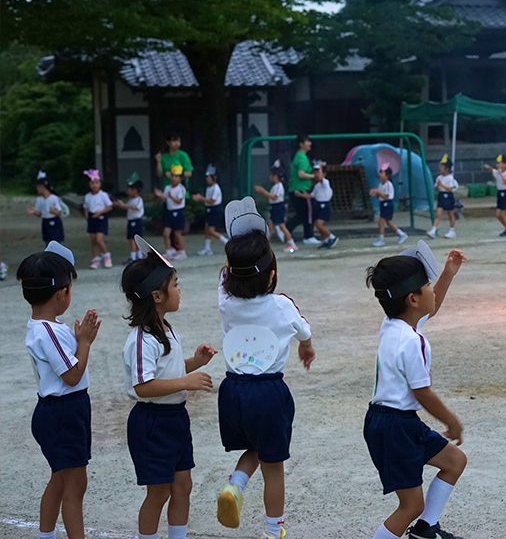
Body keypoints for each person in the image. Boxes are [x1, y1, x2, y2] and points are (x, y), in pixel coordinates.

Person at [215, 197, 315, 539]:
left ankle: (235, 486)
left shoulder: (225, 303)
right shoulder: (282, 306)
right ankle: (274, 532)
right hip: (269, 394)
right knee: (274, 468)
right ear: (272, 273)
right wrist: (306, 345)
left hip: (232, 392)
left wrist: (235, 252)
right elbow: (305, 331)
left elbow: (225, 274)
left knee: (254, 449)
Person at [364, 242, 468, 539]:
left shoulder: (393, 323)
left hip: (393, 421)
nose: (432, 290)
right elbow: (423, 393)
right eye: (427, 286)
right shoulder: (412, 342)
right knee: (409, 506)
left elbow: (428, 311)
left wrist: (448, 274)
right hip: (395, 425)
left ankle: (426, 529)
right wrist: (451, 421)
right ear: (412, 299)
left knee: (455, 461)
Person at [121, 237, 217, 539]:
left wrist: (193, 363)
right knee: (158, 492)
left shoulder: (166, 328)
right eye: (175, 284)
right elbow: (143, 386)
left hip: (175, 419)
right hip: (151, 423)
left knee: (183, 486)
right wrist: (185, 382)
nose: (179, 290)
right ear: (157, 296)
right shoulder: (141, 339)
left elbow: (169, 371)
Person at [18, 241, 101, 539]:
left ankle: (46, 536)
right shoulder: (48, 331)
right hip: (64, 413)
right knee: (75, 486)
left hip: (59, 412)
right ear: (62, 293)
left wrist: (78, 339)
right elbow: (72, 376)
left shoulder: (45, 326)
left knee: (59, 479)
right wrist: (86, 342)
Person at [253, 161, 299, 253]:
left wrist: (262, 190)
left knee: (282, 226)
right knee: (270, 225)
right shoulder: (275, 186)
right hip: (275, 207)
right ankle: (265, 245)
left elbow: (274, 197)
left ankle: (292, 243)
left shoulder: (279, 186)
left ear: (276, 176)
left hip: (278, 207)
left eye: (272, 175)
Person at [286, 135, 318, 245]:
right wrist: (314, 176)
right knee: (309, 212)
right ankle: (308, 236)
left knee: (302, 214)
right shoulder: (301, 157)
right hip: (301, 189)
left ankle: (286, 230)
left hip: (296, 189)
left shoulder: (300, 156)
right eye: (307, 141)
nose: (310, 143)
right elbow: (301, 174)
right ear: (301, 144)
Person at [192, 165, 228, 256]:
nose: (207, 179)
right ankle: (207, 249)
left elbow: (212, 201)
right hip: (209, 209)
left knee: (211, 230)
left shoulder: (216, 188)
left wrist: (200, 198)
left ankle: (227, 242)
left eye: (209, 177)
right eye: (207, 177)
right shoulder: (209, 188)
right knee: (207, 229)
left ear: (214, 177)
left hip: (215, 209)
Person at [154, 165, 187, 261]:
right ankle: (169, 250)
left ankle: (182, 251)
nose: (174, 178)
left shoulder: (181, 188)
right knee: (166, 233)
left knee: (177, 234)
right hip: (169, 212)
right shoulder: (167, 187)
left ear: (180, 178)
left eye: (176, 176)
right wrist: (160, 195)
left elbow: (179, 201)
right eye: (173, 176)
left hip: (178, 212)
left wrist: (171, 196)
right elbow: (165, 199)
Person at [82, 169, 114, 269]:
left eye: (96, 183)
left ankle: (106, 256)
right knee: (93, 240)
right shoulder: (87, 196)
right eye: (92, 183)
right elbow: (86, 207)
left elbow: (110, 206)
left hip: (101, 218)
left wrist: (100, 212)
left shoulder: (103, 195)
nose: (94, 185)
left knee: (99, 239)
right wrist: (87, 214)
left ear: (100, 183)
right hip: (92, 219)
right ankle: (96, 258)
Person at [370, 166, 408, 247]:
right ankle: (402, 234)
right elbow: (381, 197)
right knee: (388, 222)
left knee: (381, 222)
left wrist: (378, 192)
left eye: (382, 173)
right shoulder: (381, 184)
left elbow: (386, 197)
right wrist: (376, 193)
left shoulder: (388, 184)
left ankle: (381, 239)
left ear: (387, 175)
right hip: (383, 204)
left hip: (387, 204)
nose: (380, 174)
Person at [115, 173, 146, 263]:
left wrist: (124, 205)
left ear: (135, 190)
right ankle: (134, 255)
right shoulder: (131, 200)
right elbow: (127, 206)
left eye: (130, 189)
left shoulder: (139, 200)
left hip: (136, 221)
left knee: (135, 239)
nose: (128, 191)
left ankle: (137, 255)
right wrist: (119, 204)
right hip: (131, 221)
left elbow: (135, 207)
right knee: (131, 239)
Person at [28, 171, 66, 243]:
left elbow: (59, 212)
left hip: (54, 221)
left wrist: (52, 211)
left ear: (42, 187)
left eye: (37, 187)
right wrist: (34, 211)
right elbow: (39, 213)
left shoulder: (54, 198)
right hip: (45, 221)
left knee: (56, 242)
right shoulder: (39, 199)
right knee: (47, 241)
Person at [427, 155, 458, 240]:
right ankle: (433, 229)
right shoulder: (439, 177)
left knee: (450, 213)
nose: (440, 168)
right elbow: (436, 188)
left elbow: (450, 188)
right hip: (441, 195)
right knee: (438, 213)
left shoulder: (450, 178)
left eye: (442, 166)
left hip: (448, 196)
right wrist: (437, 186)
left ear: (447, 169)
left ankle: (452, 230)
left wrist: (442, 185)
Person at [483, 155, 506, 237]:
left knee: (502, 214)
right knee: (498, 215)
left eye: (500, 163)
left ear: (505, 165)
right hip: (500, 193)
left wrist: (501, 174)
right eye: (497, 163)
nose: (497, 165)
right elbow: (492, 170)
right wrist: (488, 167)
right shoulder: (496, 172)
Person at [310, 160, 338, 249]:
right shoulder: (317, 186)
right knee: (317, 225)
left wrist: (321, 167)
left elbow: (321, 177)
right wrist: (300, 194)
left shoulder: (325, 182)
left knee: (319, 224)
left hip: (324, 205)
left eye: (318, 172)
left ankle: (332, 237)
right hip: (318, 205)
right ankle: (325, 240)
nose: (316, 174)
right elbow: (312, 195)